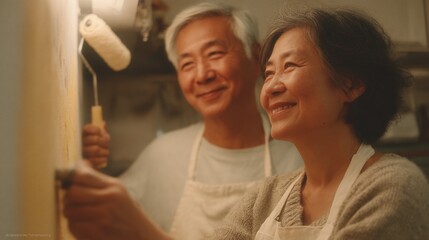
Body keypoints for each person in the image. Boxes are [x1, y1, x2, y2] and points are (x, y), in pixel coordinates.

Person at [64, 2, 303, 239]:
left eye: (215, 54)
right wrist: (88, 165)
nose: (202, 75)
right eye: (187, 64)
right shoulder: (162, 156)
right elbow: (104, 222)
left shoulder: (300, 157)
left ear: (256, 57)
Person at [209, 6, 429, 240]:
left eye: (289, 66)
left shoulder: (391, 186)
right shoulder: (265, 198)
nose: (271, 87)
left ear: (350, 85)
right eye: (269, 73)